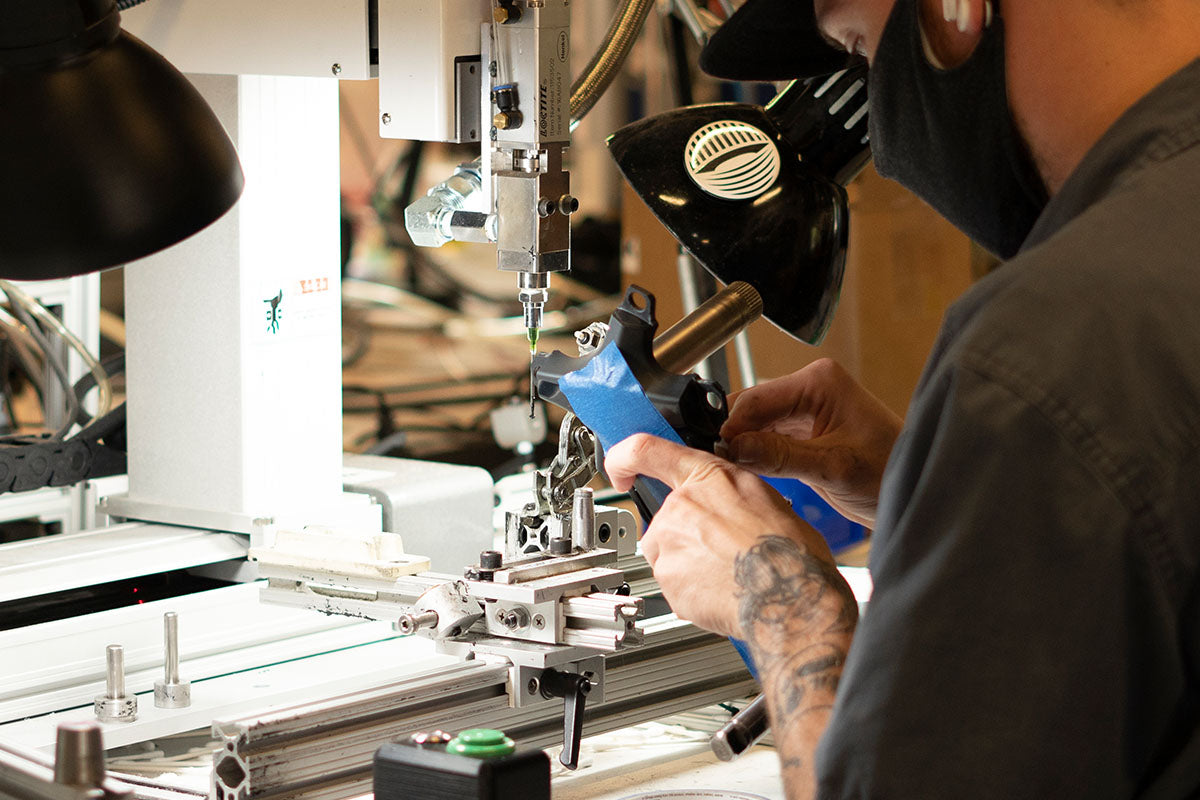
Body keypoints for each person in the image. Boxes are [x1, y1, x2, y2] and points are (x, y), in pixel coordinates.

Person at [604, 0, 1200, 796]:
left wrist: (786, 608)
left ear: (955, 12)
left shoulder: (1056, 343)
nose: (875, 129)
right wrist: (955, 497)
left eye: (858, 48)